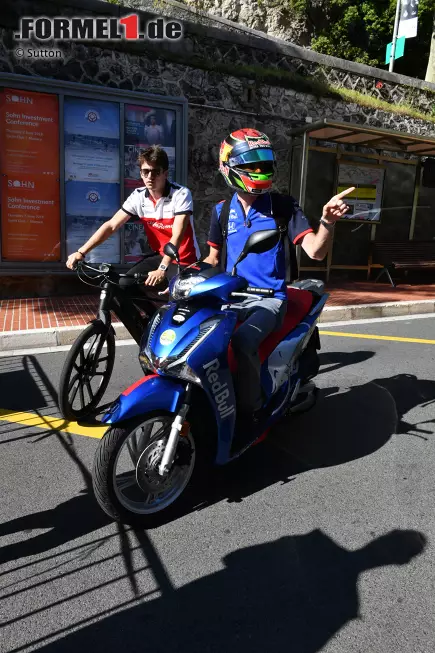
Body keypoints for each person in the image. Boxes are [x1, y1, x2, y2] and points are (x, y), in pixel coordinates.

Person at [204, 127, 354, 425]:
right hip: (230, 298)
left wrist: (327, 221)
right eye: (251, 165)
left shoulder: (283, 207)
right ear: (229, 166)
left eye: (264, 165)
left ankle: (252, 410)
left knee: (243, 342)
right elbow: (212, 258)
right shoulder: (221, 211)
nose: (259, 171)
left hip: (269, 300)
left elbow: (315, 251)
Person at [66, 146, 200, 287]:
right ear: (141, 173)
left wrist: (162, 268)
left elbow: (177, 236)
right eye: (145, 172)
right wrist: (81, 251)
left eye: (156, 172)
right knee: (123, 285)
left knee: (176, 300)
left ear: (165, 174)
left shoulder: (181, 194)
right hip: (160, 256)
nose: (150, 177)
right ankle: (150, 311)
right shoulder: (138, 196)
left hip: (184, 259)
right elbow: (111, 225)